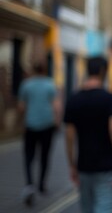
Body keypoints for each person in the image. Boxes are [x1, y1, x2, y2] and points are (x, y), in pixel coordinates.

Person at [64, 56, 112, 213]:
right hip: (107, 167)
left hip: (83, 167)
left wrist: (72, 165)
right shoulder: (110, 99)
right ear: (103, 71)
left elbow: (69, 136)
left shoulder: (73, 99)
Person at [18, 62, 59, 206]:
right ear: (45, 70)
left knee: (29, 156)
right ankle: (42, 184)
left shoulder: (26, 85)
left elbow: (21, 107)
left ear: (34, 70)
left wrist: (21, 120)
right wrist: (57, 122)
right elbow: (56, 106)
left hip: (30, 125)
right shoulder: (50, 84)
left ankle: (30, 183)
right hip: (47, 125)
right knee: (44, 156)